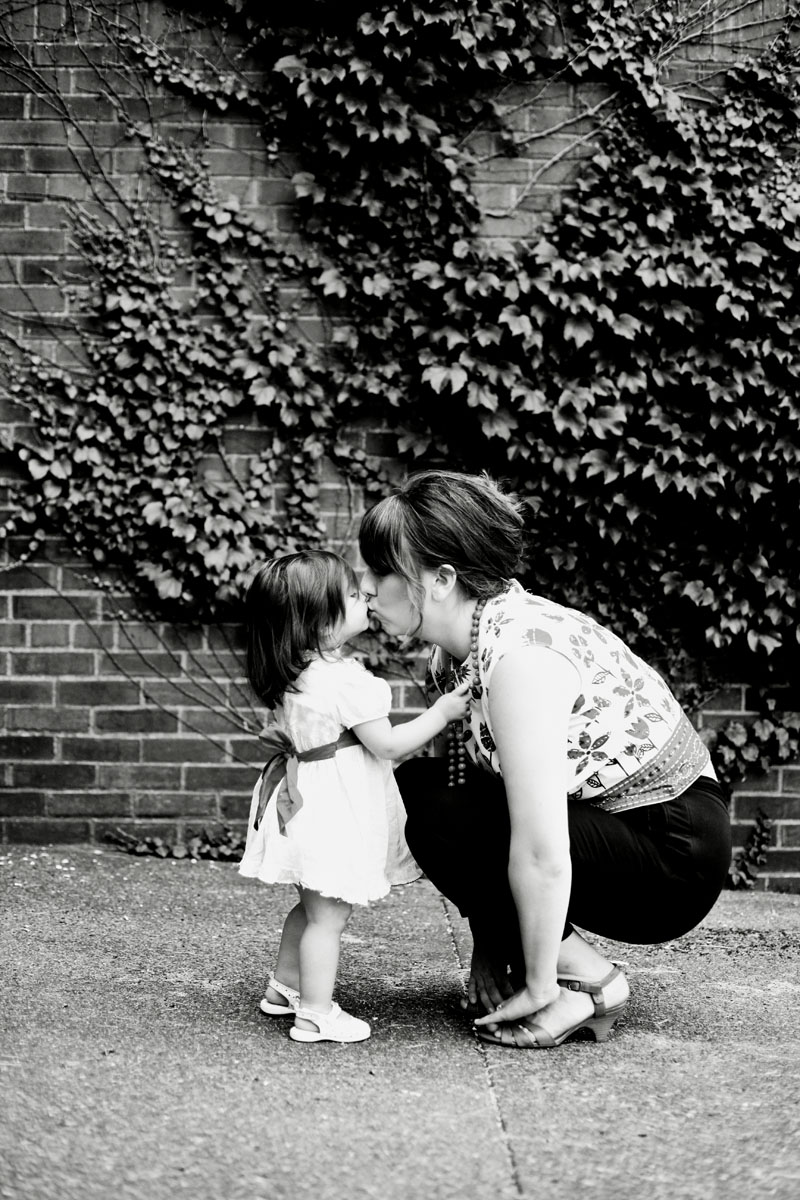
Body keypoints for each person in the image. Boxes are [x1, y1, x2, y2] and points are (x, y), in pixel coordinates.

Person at [358, 470, 732, 1050]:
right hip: (610, 824)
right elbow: (468, 782)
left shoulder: (520, 659)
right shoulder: (456, 653)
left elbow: (539, 846)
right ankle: (558, 964)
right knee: (425, 788)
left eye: (379, 572)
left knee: (437, 813)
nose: (366, 590)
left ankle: (588, 984)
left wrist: (535, 984)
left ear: (440, 579)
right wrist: (491, 938)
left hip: (672, 848)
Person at [238, 550, 470, 1044]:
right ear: (319, 620)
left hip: (308, 799)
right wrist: (443, 713)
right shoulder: (342, 680)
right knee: (329, 915)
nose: (364, 594)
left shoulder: (297, 670)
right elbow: (387, 744)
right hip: (331, 806)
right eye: (349, 593)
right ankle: (316, 1013)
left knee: (310, 905)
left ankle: (285, 988)